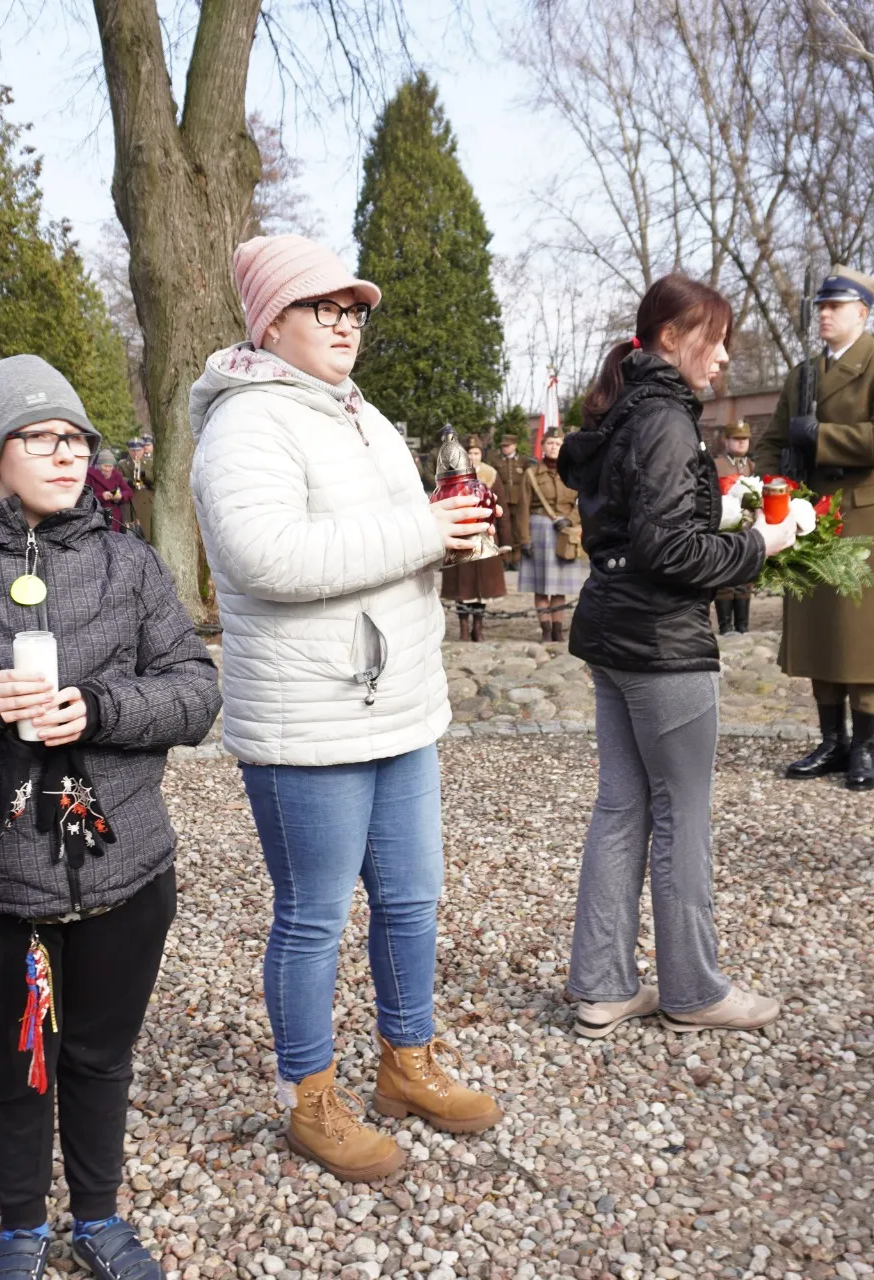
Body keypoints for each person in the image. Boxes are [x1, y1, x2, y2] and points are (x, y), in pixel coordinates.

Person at [0, 354, 219, 1280]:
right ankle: (23, 1225)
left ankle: (100, 1217)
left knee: (102, 1057)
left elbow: (194, 693)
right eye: (40, 437)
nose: (66, 455)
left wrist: (102, 708)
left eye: (75, 439)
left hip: (125, 871)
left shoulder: (129, 564)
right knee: (18, 1066)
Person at [190, 234, 503, 1183]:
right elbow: (267, 560)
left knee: (412, 899)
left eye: (354, 310)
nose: (346, 325)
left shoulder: (361, 416)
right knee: (315, 915)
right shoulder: (245, 424)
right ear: (269, 320)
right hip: (308, 719)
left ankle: (406, 1064)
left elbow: (389, 547)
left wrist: (448, 536)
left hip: (398, 705)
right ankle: (312, 1099)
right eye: (323, 308)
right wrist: (422, 528)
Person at [558, 274, 797, 1038]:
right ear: (670, 337)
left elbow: (635, 527)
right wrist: (760, 542)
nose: (723, 356)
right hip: (662, 643)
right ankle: (693, 990)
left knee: (622, 807)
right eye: (714, 337)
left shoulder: (624, 409)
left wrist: (718, 509)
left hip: (613, 631)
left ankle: (602, 986)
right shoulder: (665, 417)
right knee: (682, 817)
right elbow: (668, 549)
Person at [753, 266, 874, 791]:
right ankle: (831, 740)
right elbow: (773, 438)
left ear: (862, 313)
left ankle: (864, 744)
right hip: (810, 509)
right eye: (820, 307)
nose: (823, 314)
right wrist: (769, 482)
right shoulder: (803, 375)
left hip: (862, 511)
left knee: (861, 632)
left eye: (836, 307)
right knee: (820, 628)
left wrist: (821, 435)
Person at [513, 427, 585, 642]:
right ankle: (545, 631)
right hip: (539, 531)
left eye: (558, 443)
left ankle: (557, 630)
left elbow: (582, 501)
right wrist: (524, 539)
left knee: (560, 586)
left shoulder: (574, 472)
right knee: (542, 586)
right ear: (543, 446)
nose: (554, 447)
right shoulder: (531, 474)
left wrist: (570, 519)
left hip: (565, 532)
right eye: (550, 443)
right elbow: (522, 508)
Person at [439, 433, 507, 641]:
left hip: (485, 535)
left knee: (483, 584)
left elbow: (501, 507)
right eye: (469, 453)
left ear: (481, 454)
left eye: (476, 452)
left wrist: (506, 541)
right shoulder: (451, 476)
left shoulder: (491, 474)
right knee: (462, 584)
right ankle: (463, 627)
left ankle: (478, 627)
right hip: (460, 536)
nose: (473, 456)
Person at [712, 420, 759, 634]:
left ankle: (743, 627)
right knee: (725, 578)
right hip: (724, 526)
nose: (741, 444)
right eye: (737, 439)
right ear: (726, 440)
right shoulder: (717, 465)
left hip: (747, 527)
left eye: (745, 439)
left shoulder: (752, 467)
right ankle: (725, 627)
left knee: (745, 579)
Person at [490, 432, 530, 570]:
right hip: (502, 500)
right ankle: (505, 559)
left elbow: (528, 480)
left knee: (517, 529)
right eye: (503, 446)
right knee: (503, 529)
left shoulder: (524, 461)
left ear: (515, 445)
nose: (504, 448)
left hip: (519, 500)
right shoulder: (495, 460)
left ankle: (517, 559)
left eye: (507, 446)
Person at [88, 447, 134, 533]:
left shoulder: (117, 475)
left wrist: (120, 496)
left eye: (111, 466)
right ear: (98, 465)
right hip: (96, 513)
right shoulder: (90, 475)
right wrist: (101, 496)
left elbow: (129, 492)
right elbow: (85, 495)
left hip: (115, 516)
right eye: (105, 466)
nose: (108, 469)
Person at [120, 436, 153, 538]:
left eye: (138, 450)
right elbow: (118, 479)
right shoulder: (123, 464)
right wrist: (129, 481)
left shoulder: (150, 463)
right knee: (130, 535)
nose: (136, 453)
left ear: (143, 450)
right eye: (133, 451)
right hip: (129, 503)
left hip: (146, 503)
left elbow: (155, 480)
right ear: (129, 451)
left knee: (146, 534)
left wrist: (143, 473)